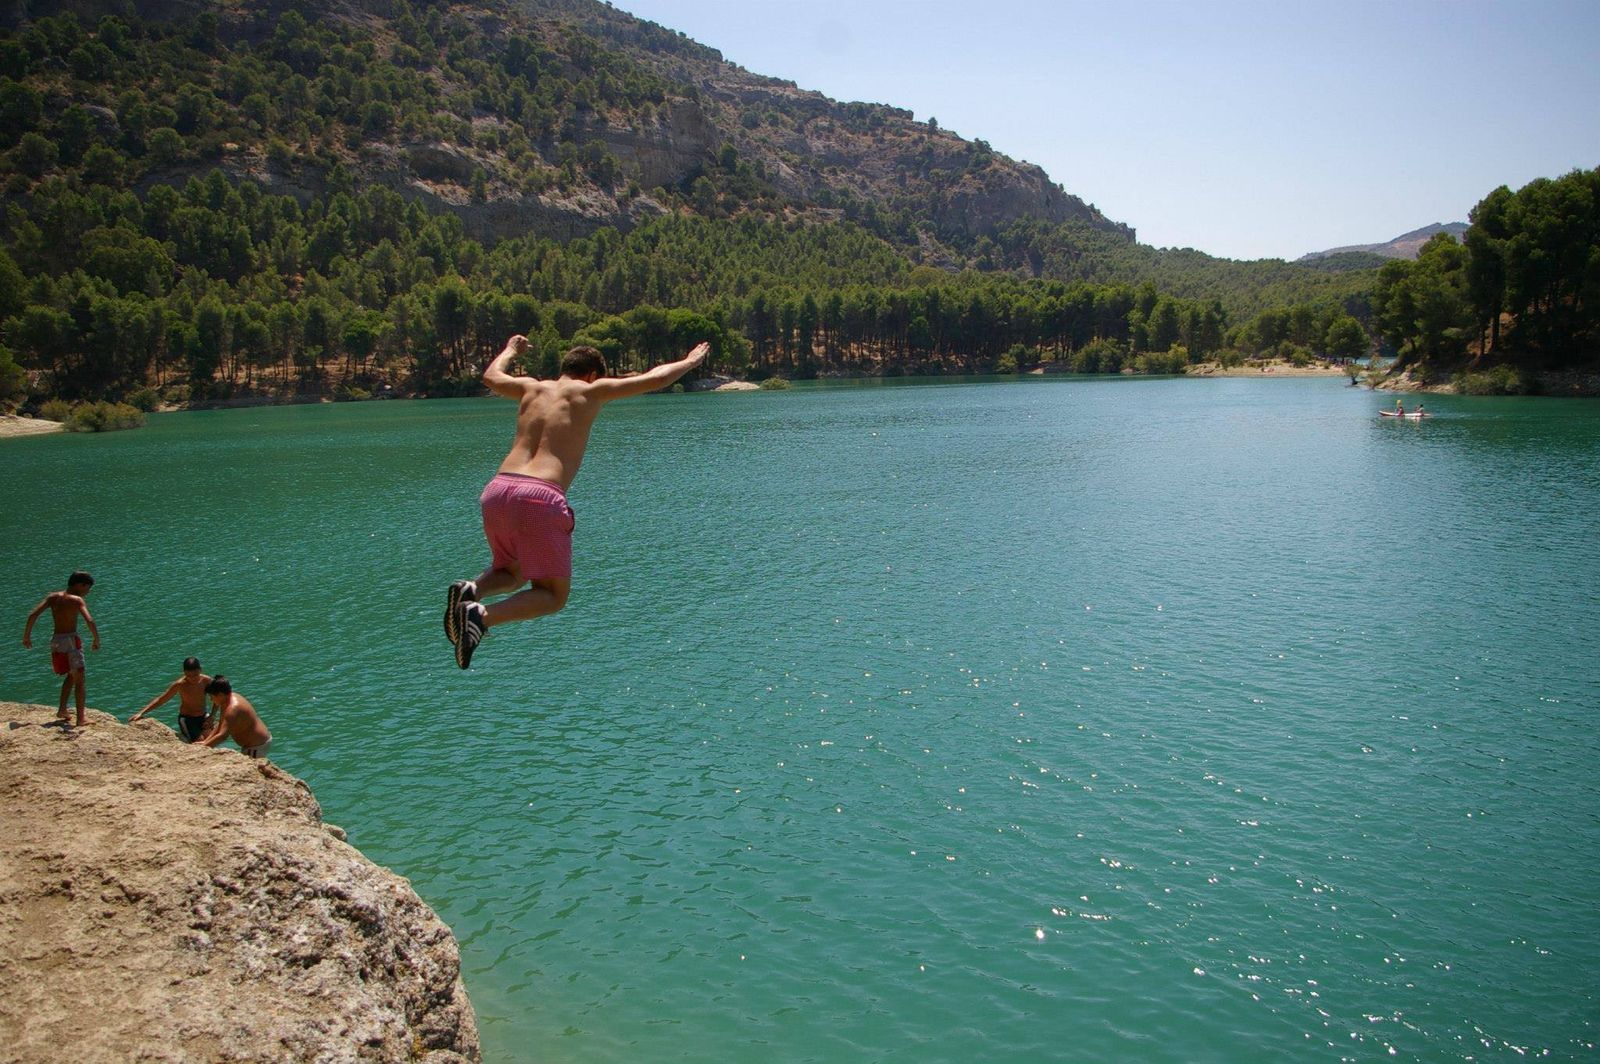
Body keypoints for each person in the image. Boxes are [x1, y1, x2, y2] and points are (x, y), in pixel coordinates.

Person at [443, 334, 710, 668]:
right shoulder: (590, 391)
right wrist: (689, 361)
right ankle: (480, 617)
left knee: (511, 571)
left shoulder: (531, 388)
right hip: (539, 497)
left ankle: (472, 589)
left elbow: (491, 376)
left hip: (498, 490)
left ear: (564, 368)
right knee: (553, 596)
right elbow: (654, 378)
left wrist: (510, 350)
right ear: (592, 374)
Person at [21, 571, 100, 727]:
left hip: (56, 641)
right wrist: (96, 639)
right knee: (80, 679)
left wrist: (27, 636)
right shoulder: (77, 600)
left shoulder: (53, 598)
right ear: (80, 585)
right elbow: (89, 620)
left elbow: (33, 614)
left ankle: (62, 710)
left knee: (71, 675)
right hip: (70, 640)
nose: (87, 592)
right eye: (87, 588)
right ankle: (81, 718)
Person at [130, 657, 214, 742]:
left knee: (211, 739)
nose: (192, 678)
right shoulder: (180, 684)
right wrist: (141, 712)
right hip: (187, 719)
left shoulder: (207, 681)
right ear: (184, 673)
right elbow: (162, 699)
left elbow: (217, 699)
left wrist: (212, 716)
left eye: (195, 675)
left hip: (203, 716)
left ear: (200, 670)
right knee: (200, 741)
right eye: (189, 676)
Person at [198, 676, 272, 759]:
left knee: (251, 768)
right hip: (251, 744)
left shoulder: (232, 709)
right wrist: (206, 742)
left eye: (212, 697)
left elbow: (223, 735)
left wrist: (204, 748)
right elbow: (221, 724)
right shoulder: (226, 701)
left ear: (220, 695)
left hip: (256, 745)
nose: (211, 700)